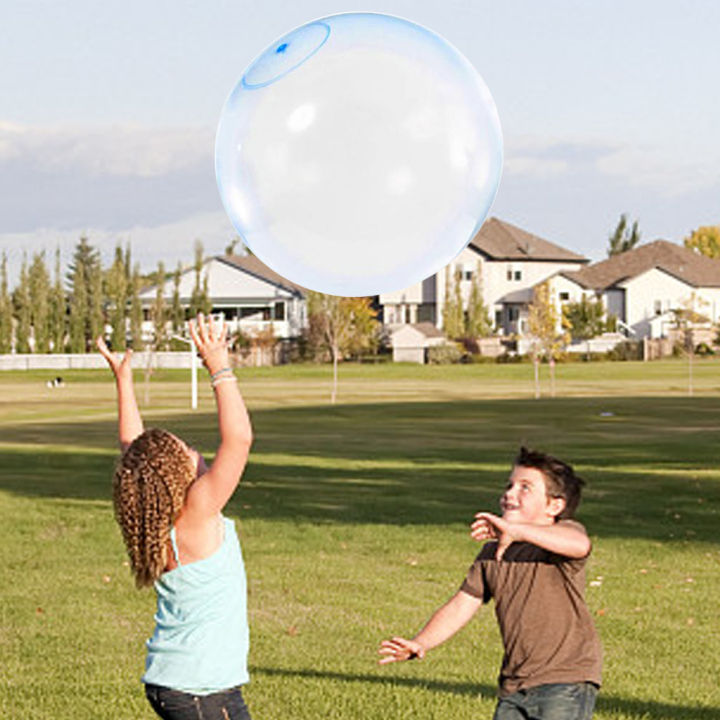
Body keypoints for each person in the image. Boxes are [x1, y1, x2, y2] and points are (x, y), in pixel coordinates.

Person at [98, 314, 254, 720]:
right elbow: (239, 439)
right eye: (184, 448)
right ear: (174, 475)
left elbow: (133, 453)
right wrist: (218, 364)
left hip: (187, 683)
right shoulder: (198, 510)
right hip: (200, 688)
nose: (192, 449)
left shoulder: (156, 515)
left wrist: (124, 380)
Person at [379, 447, 601, 720]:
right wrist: (421, 642)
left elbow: (580, 544)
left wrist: (517, 531)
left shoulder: (562, 539)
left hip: (565, 680)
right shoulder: (492, 554)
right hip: (514, 685)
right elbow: (460, 605)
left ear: (554, 506)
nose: (510, 494)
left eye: (525, 488)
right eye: (509, 485)